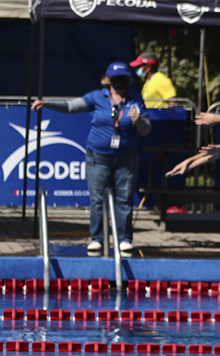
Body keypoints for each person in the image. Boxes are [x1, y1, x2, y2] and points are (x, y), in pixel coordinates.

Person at [32, 62, 150, 257]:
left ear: (128, 81)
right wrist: (47, 103)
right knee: (96, 200)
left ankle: (124, 240)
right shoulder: (97, 97)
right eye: (115, 81)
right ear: (108, 81)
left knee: (125, 199)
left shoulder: (136, 101)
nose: (119, 85)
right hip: (98, 158)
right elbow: (71, 106)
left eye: (123, 80)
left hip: (126, 158)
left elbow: (145, 130)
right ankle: (97, 239)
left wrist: (139, 120)